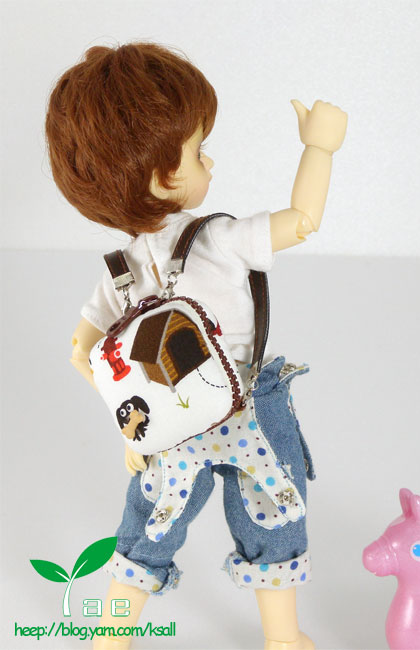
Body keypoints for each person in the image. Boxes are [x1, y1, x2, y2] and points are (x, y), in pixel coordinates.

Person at [45, 41, 347, 650]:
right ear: (163, 174)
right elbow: (303, 220)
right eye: (198, 150)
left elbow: (80, 352)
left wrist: (132, 424)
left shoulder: (119, 270)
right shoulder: (220, 239)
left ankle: (111, 638)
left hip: (171, 426)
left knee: (149, 528)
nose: (211, 160)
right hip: (248, 408)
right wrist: (320, 149)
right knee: (274, 514)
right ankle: (282, 638)